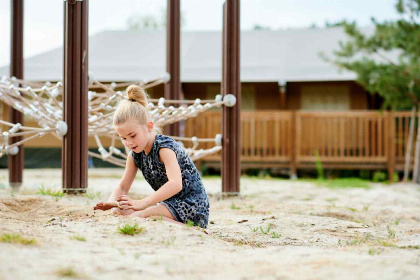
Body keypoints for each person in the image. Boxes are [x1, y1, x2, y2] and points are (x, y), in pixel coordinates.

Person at [93, 85, 210, 228]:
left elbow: (176, 184)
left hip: (192, 205)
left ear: (149, 127)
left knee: (139, 216)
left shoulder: (164, 148)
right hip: (168, 205)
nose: (129, 143)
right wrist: (112, 204)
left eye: (133, 136)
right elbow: (123, 186)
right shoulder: (135, 155)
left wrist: (144, 203)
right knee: (121, 211)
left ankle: (193, 228)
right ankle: (168, 221)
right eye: (123, 138)